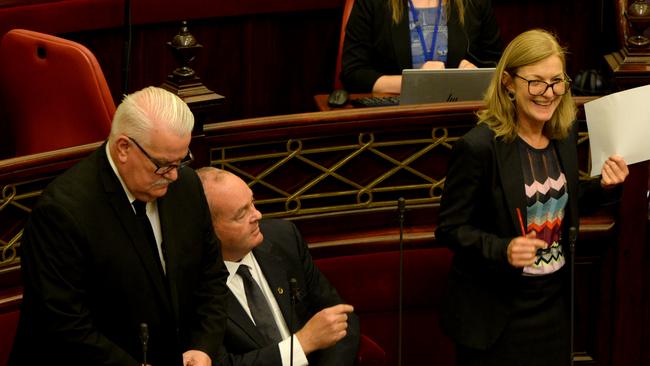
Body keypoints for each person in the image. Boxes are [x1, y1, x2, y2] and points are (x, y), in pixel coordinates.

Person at [435, 29, 629, 366]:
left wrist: (604, 187)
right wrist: (503, 248)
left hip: (554, 307)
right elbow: (450, 228)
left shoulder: (563, 135)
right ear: (509, 83)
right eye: (536, 82)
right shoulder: (479, 147)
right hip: (497, 314)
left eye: (556, 82)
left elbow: (561, 201)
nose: (548, 93)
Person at [10, 87, 228, 366]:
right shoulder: (62, 213)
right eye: (163, 165)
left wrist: (203, 347)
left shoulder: (186, 187)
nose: (173, 176)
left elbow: (211, 277)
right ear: (124, 148)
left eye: (181, 161)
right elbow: (65, 325)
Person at [197, 167, 360, 366]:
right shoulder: (192, 288)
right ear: (207, 230)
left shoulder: (284, 239)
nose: (257, 215)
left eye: (252, 202)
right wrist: (301, 344)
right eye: (241, 214)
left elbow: (341, 319)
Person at [341, 0, 502, 93]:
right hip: (394, 121)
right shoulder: (372, 3)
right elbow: (353, 74)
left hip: (464, 120)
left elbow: (498, 66)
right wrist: (416, 82)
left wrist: (475, 74)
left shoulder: (475, 3)